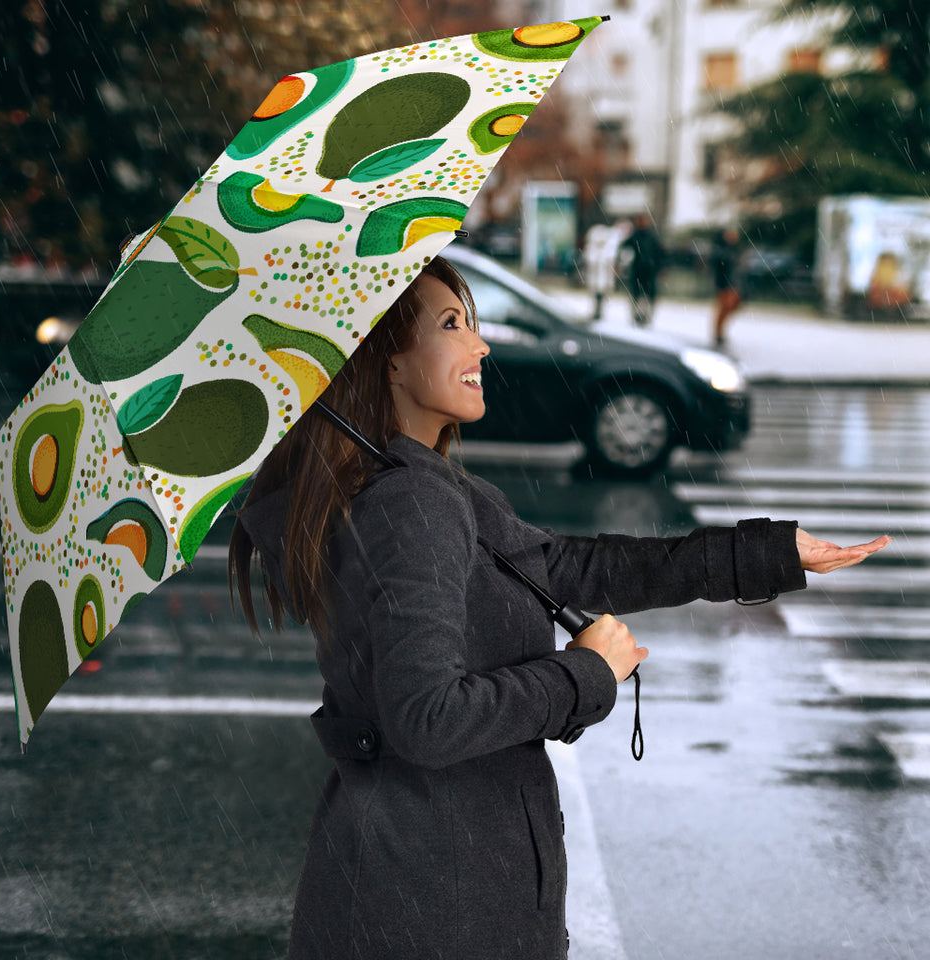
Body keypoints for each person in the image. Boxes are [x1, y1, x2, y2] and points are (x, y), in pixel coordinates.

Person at [228, 256, 890, 960]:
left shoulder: (421, 488)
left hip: (423, 884)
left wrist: (766, 554)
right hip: (436, 903)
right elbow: (426, 720)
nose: (480, 345)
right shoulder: (409, 504)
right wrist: (583, 673)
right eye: (452, 325)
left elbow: (573, 567)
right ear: (387, 362)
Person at [618, 213, 665, 327]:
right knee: (637, 294)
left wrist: (660, 267)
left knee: (647, 295)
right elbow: (624, 249)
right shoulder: (635, 236)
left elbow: (660, 253)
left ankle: (645, 316)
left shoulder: (651, 237)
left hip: (649, 271)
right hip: (638, 270)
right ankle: (637, 315)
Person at [711, 226, 743, 347]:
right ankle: (718, 333)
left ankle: (720, 331)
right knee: (724, 308)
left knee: (732, 306)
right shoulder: (721, 250)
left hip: (733, 283)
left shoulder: (733, 249)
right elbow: (720, 265)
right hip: (725, 284)